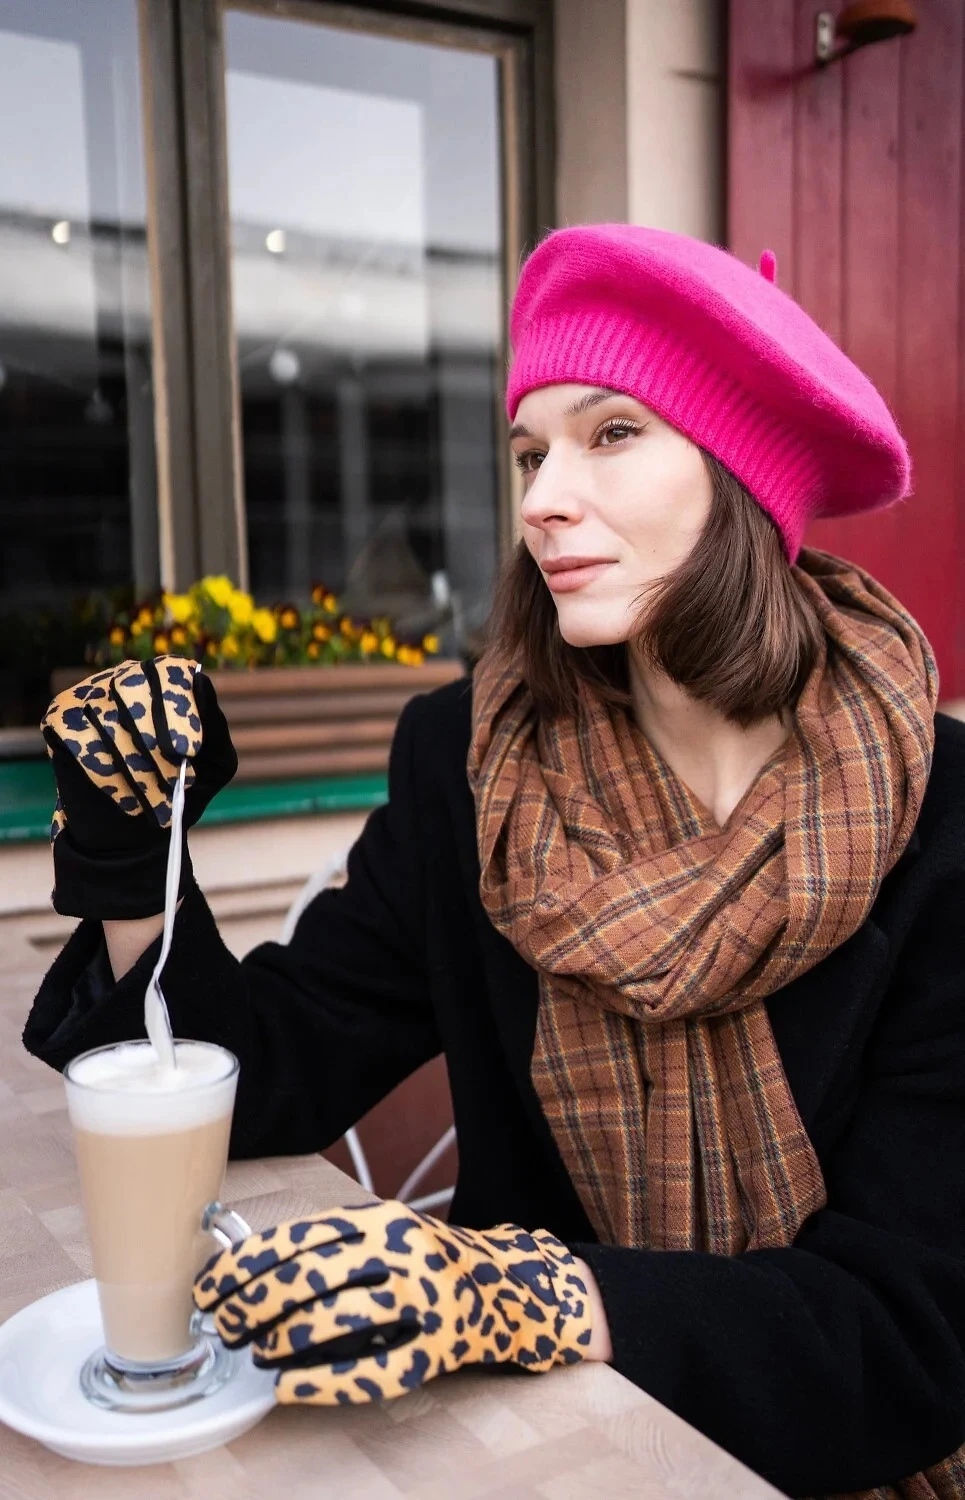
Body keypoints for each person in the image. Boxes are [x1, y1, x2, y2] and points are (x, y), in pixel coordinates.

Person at [24, 224, 965, 1500]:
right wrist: (133, 847)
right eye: (529, 452)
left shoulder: (940, 823)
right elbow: (267, 1077)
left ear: (742, 474)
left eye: (610, 433)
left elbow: (910, 1330)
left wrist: (519, 1294)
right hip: (540, 1454)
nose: (538, 500)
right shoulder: (471, 769)